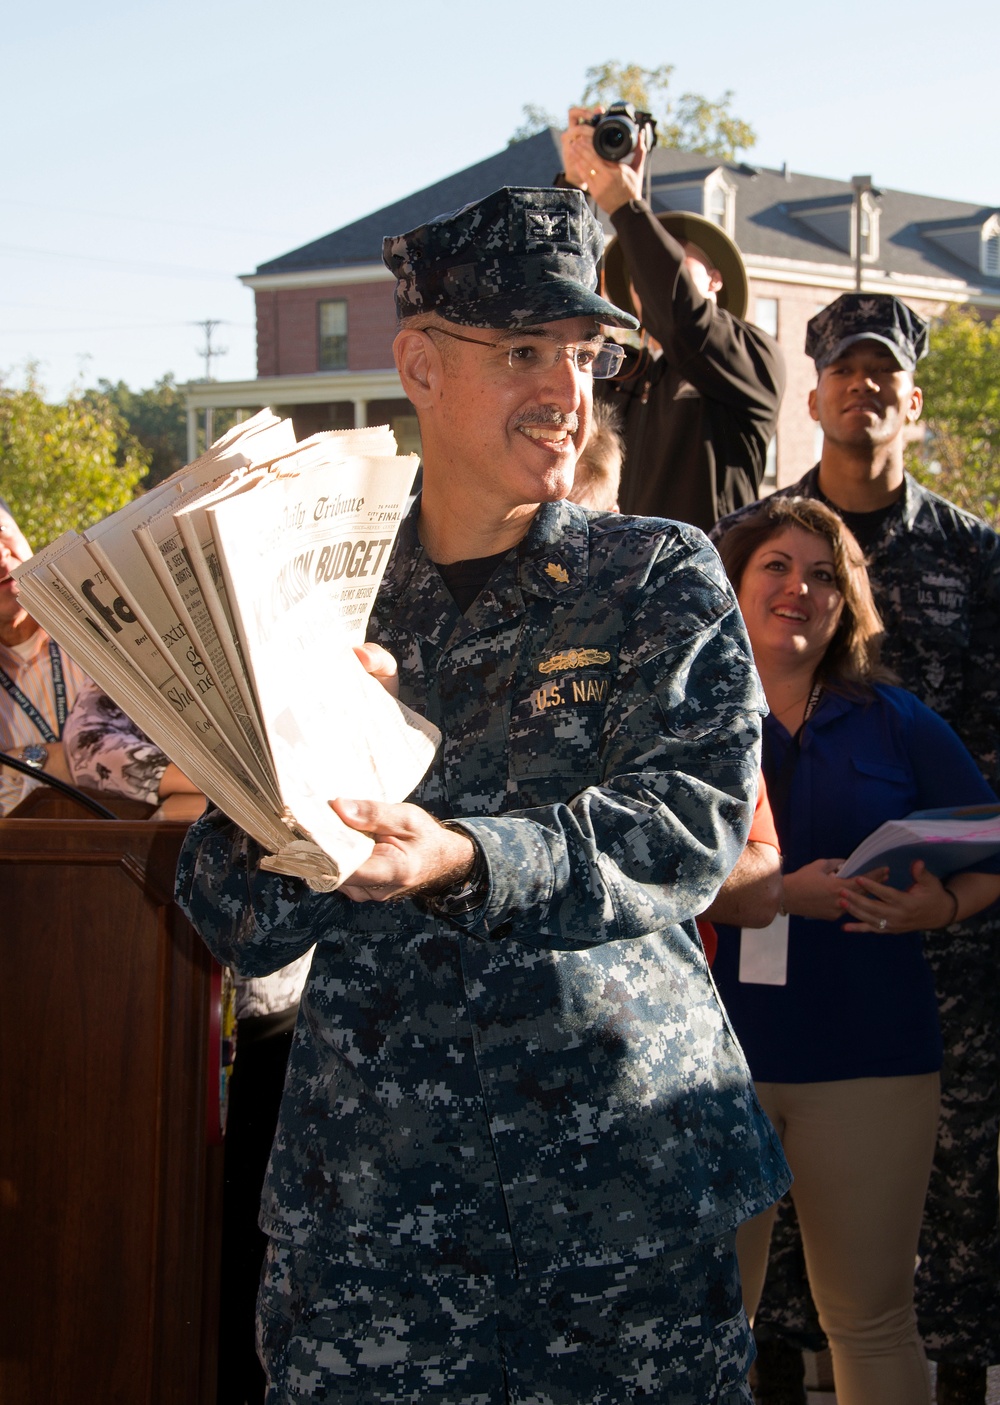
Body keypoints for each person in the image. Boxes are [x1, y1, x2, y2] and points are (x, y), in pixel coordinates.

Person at [176, 184, 790, 1404]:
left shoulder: (653, 574)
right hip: (378, 1233)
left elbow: (689, 827)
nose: (566, 392)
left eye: (583, 355)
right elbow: (232, 914)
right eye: (522, 351)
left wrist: (466, 856)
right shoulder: (321, 600)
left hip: (620, 1208)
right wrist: (281, 781)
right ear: (415, 363)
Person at [714, 292, 1000, 1405]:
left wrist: (949, 901)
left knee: (903, 1286)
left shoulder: (969, 568)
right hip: (721, 1038)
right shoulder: (695, 715)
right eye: (842, 368)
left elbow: (985, 815)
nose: (799, 590)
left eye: (823, 577)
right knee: (725, 1312)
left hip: (907, 996)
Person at [558, 106, 785, 532]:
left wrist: (627, 206)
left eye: (676, 258)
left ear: (716, 279)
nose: (650, 273)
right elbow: (553, 309)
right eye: (644, 265)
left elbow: (685, 322)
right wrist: (576, 188)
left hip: (696, 591)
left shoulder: (752, 359)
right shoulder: (620, 368)